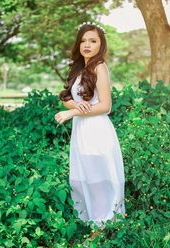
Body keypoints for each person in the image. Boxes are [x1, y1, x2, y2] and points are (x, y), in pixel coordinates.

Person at [54, 21, 125, 229]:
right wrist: (75, 104)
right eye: (83, 41)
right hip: (81, 131)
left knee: (99, 177)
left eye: (93, 41)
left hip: (97, 129)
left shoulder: (99, 67)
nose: (87, 45)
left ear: (100, 45)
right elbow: (66, 97)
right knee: (82, 177)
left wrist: (73, 112)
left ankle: (105, 224)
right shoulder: (78, 68)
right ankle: (90, 219)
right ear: (78, 45)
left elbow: (105, 106)